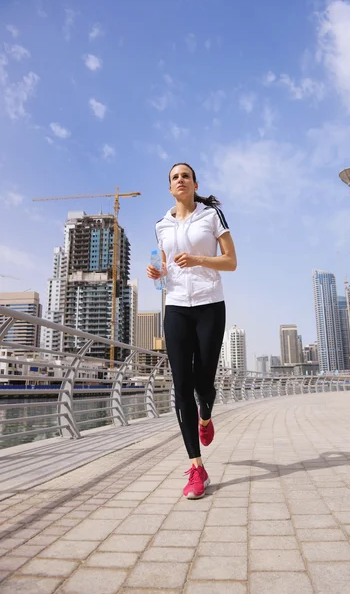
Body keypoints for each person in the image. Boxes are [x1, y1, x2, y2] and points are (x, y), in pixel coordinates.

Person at [147, 163, 237, 499]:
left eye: (185, 175)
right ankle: (197, 468)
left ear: (194, 183)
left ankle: (206, 416)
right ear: (170, 187)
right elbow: (167, 266)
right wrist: (159, 274)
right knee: (182, 386)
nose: (180, 180)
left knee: (204, 384)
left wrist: (199, 261)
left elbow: (231, 261)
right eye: (174, 177)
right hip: (175, 308)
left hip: (210, 305)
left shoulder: (211, 216)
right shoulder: (161, 224)